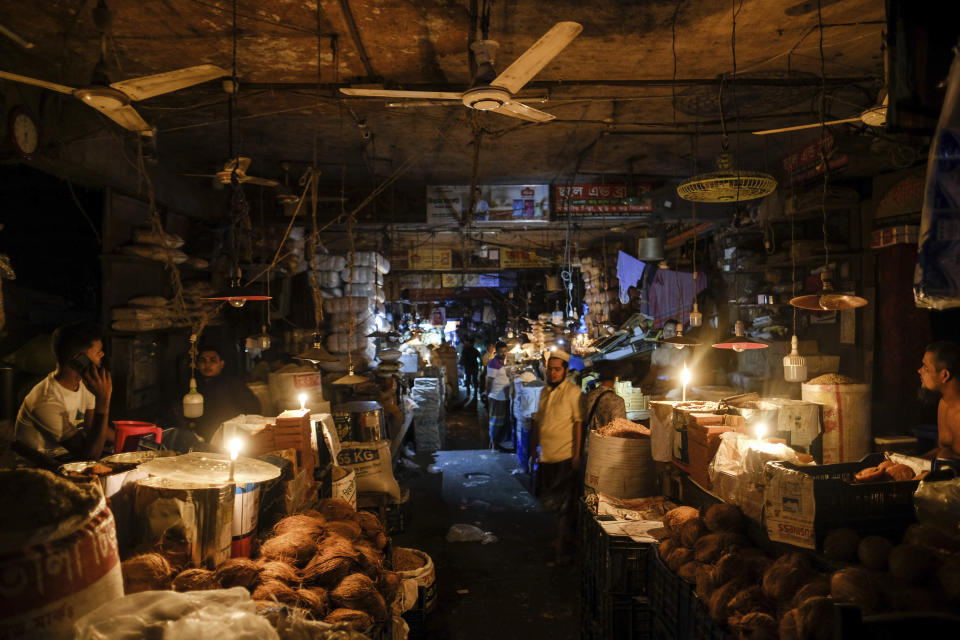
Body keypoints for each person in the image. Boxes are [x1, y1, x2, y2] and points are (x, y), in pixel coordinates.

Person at [15, 322, 113, 461]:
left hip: (67, 457)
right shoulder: (45, 400)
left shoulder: (86, 383)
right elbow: (90, 456)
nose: (102, 355)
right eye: (98, 352)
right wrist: (103, 400)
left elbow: (91, 426)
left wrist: (134, 440)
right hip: (39, 468)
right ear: (78, 359)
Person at [531, 349, 583, 564]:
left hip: (564, 456)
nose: (552, 373)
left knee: (563, 506)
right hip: (547, 457)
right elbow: (538, 422)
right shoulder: (544, 392)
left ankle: (561, 550)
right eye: (550, 369)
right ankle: (561, 541)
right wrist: (534, 448)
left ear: (566, 370)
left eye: (557, 369)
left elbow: (579, 423)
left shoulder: (573, 393)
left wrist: (577, 454)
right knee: (552, 505)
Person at [191, 345, 261, 442]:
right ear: (198, 365)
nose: (207, 365)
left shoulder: (233, 384)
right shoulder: (193, 387)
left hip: (229, 438)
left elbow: (254, 408)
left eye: (213, 360)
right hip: (202, 439)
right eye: (203, 361)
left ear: (222, 364)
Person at [918, 341, 960, 459]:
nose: (919, 371)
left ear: (944, 375)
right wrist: (911, 462)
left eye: (926, 368)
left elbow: (946, 455)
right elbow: (942, 450)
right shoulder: (944, 404)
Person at [640, 318, 685, 394]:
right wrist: (639, 386)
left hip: (678, 390)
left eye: (672, 330)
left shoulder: (685, 351)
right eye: (666, 330)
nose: (668, 333)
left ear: (678, 333)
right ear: (663, 332)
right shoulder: (656, 353)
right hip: (659, 390)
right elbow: (652, 374)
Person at [583, 361, 627, 433]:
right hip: (607, 443)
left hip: (590, 441)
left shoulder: (588, 396)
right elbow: (620, 430)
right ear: (615, 377)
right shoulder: (617, 401)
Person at [484, 341, 512, 451]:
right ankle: (494, 444)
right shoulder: (493, 363)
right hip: (496, 396)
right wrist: (487, 393)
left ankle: (498, 443)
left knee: (502, 422)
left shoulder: (502, 362)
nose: (504, 353)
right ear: (497, 351)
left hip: (503, 396)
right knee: (496, 422)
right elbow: (489, 381)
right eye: (501, 352)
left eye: (505, 351)